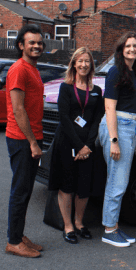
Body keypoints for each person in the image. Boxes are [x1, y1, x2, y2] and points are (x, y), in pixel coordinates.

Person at [48, 46, 104, 245]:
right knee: (67, 185)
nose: (83, 64)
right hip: (68, 143)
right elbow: (64, 118)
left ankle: (79, 222)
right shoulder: (65, 88)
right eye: (80, 61)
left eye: (87, 61)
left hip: (88, 146)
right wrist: (79, 145)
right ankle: (68, 225)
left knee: (84, 186)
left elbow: (97, 119)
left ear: (91, 65)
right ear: (73, 64)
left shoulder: (97, 92)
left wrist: (88, 145)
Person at [98, 32, 136, 247]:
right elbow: (109, 107)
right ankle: (109, 229)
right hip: (119, 127)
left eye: (135, 46)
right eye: (128, 46)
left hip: (130, 127)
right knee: (116, 181)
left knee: (120, 180)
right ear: (121, 49)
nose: (132, 50)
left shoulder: (132, 72)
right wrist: (114, 139)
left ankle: (114, 226)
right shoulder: (116, 71)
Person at [4, 25, 46, 258]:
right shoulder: (19, 69)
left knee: (26, 190)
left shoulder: (33, 68)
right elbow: (18, 110)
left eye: (39, 42)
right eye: (32, 42)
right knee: (20, 191)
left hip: (30, 137)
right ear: (21, 45)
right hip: (21, 139)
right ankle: (13, 241)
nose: (37, 46)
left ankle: (18, 235)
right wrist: (32, 142)